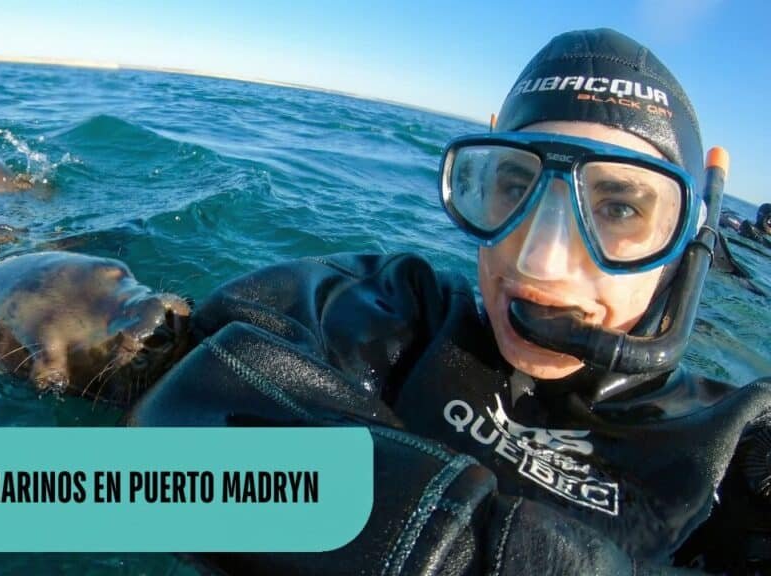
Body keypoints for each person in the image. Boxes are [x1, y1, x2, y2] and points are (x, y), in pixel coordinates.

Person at [126, 29, 771, 574]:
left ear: (688, 239)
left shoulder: (734, 447)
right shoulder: (398, 312)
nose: (537, 261)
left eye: (620, 207)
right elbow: (161, 452)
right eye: (515, 183)